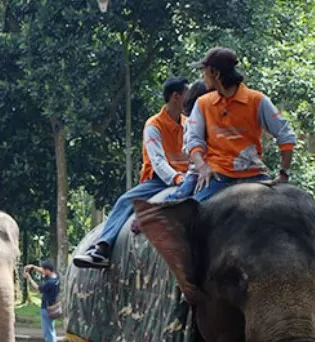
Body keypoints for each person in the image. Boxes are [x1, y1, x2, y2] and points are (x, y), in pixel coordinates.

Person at [73, 78, 190, 268]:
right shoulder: (154, 125)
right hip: (160, 181)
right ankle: (103, 247)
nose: (191, 98)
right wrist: (177, 178)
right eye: (188, 93)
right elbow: (158, 161)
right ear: (176, 97)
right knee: (125, 201)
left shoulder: (190, 123)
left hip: (188, 177)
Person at [186, 47, 296, 200]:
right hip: (236, 176)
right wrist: (202, 167)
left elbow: (285, 135)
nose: (202, 76)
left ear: (215, 74)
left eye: (204, 71)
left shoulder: (256, 100)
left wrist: (284, 173)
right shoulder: (203, 104)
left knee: (195, 219)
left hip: (235, 176)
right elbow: (193, 139)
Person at [24, 260, 61, 342]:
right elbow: (42, 271)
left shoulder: (50, 283)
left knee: (47, 331)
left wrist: (29, 278)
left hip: (46, 308)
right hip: (53, 306)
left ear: (48, 270)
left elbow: (37, 288)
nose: (42, 272)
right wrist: (33, 267)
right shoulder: (56, 277)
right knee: (51, 329)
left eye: (44, 270)